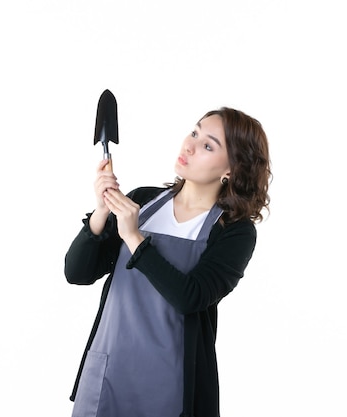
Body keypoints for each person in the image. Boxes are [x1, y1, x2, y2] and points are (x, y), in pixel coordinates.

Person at [64, 106, 272, 417]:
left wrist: (134, 237)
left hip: (170, 383)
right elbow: (76, 272)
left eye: (207, 145)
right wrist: (102, 211)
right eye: (194, 132)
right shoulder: (143, 202)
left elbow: (191, 297)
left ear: (231, 169)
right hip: (108, 370)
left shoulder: (234, 231)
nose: (189, 145)